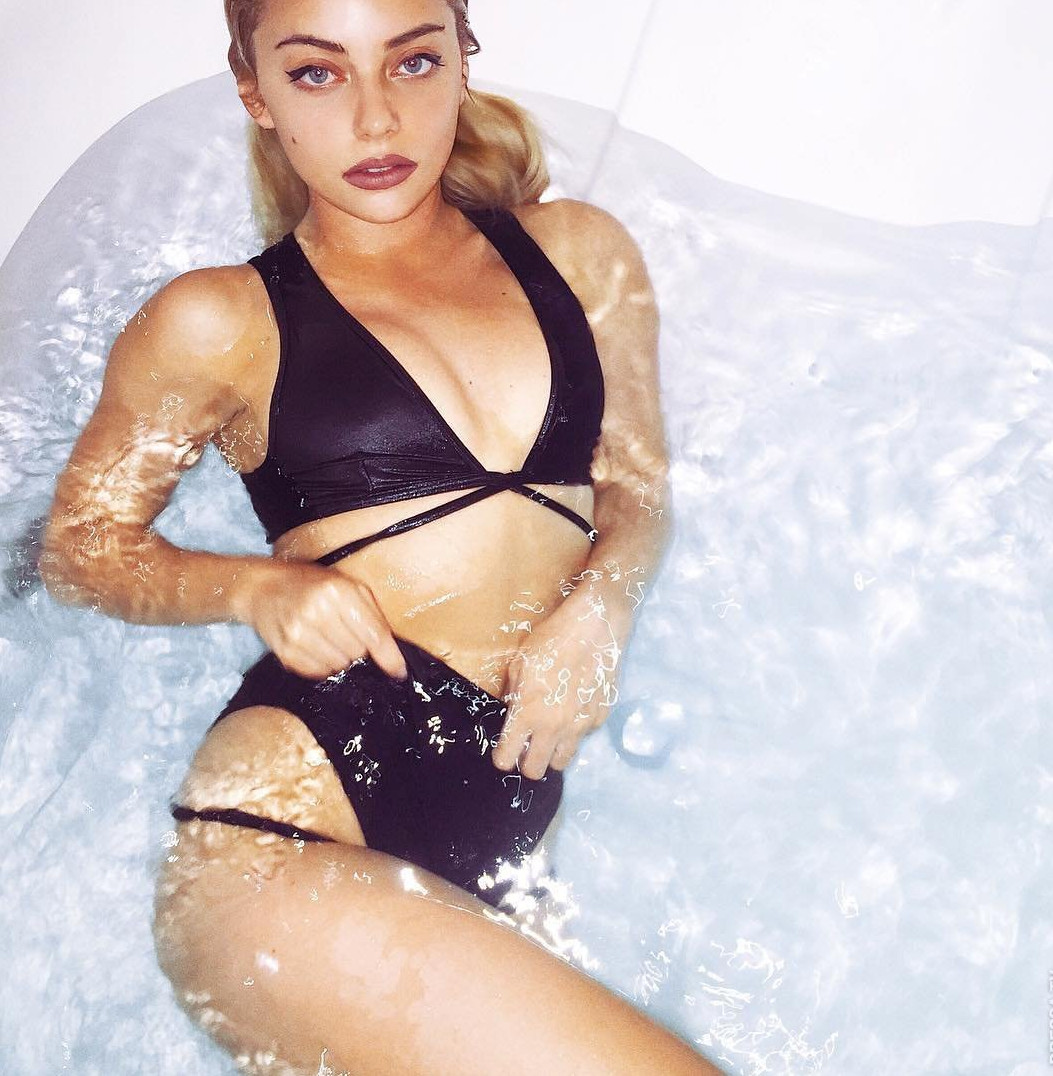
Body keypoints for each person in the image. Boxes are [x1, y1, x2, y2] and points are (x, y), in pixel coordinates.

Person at [42, 0, 723, 1071]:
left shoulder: (580, 255)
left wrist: (604, 604)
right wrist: (255, 588)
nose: (375, 118)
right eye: (317, 74)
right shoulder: (221, 320)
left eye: (411, 62)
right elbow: (78, 546)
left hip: (495, 854)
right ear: (256, 93)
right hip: (289, 835)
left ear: (462, 60)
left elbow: (637, 485)